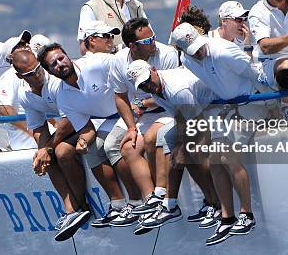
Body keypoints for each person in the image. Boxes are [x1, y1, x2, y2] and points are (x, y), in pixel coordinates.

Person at [172, 22, 271, 245]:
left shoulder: (224, 51)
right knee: (215, 159)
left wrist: (272, 106)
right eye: (192, 51)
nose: (198, 52)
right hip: (225, 108)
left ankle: (247, 214)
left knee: (227, 155)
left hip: (251, 101)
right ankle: (227, 216)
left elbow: (257, 75)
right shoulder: (187, 60)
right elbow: (211, 84)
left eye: (198, 46)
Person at [38, 43, 142, 228]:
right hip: (110, 120)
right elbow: (87, 129)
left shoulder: (95, 64)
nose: (59, 64)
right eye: (53, 64)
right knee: (93, 150)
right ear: (49, 72)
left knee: (110, 146)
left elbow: (125, 62)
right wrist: (83, 142)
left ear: (67, 56)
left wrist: (138, 97)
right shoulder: (63, 96)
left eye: (61, 58)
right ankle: (117, 205)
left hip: (133, 110)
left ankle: (136, 203)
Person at [126, 60, 222, 239]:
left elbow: (199, 126)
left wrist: (189, 149)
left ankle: (216, 203)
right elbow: (181, 119)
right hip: (197, 111)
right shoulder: (155, 91)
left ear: (154, 70)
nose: (148, 86)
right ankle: (171, 203)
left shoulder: (176, 90)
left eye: (148, 80)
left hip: (217, 107)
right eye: (143, 85)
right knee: (175, 147)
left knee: (188, 153)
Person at [12, 49, 90, 242]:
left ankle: (81, 206)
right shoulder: (24, 94)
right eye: (29, 74)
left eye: (38, 69)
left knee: (61, 152)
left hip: (85, 121)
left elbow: (69, 120)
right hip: (70, 126)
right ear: (19, 76)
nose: (37, 75)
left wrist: (47, 149)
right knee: (48, 157)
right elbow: (38, 127)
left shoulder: (55, 82)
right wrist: (41, 151)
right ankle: (70, 210)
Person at [110, 17, 180, 220]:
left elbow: (167, 93)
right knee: (128, 148)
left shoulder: (167, 54)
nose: (153, 44)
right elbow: (120, 97)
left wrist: (142, 104)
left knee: (151, 138)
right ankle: (151, 199)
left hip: (168, 110)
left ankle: (165, 198)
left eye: (154, 38)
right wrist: (131, 128)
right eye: (147, 41)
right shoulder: (118, 61)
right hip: (143, 117)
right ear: (132, 46)